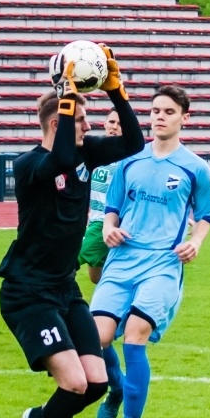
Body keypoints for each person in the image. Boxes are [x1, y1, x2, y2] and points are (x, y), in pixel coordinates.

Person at [0, 49, 144, 418]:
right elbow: (58, 160)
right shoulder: (30, 166)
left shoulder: (85, 154)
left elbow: (133, 143)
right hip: (27, 293)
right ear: (57, 123)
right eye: (81, 120)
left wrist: (117, 92)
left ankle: (40, 417)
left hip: (64, 290)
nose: (89, 126)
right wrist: (66, 96)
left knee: (96, 382)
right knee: (76, 383)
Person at [91, 85, 210, 418]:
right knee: (96, 338)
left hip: (162, 263)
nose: (159, 117)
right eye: (155, 111)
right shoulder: (130, 161)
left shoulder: (195, 167)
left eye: (168, 112)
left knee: (134, 335)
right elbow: (110, 209)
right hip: (122, 261)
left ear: (184, 118)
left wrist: (195, 241)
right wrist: (111, 229)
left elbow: (205, 215)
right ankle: (116, 389)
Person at [78, 107, 122, 287]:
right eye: (112, 122)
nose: (115, 127)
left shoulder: (128, 158)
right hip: (93, 219)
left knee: (65, 261)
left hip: (106, 223)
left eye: (120, 124)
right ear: (104, 124)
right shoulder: (95, 152)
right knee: (96, 277)